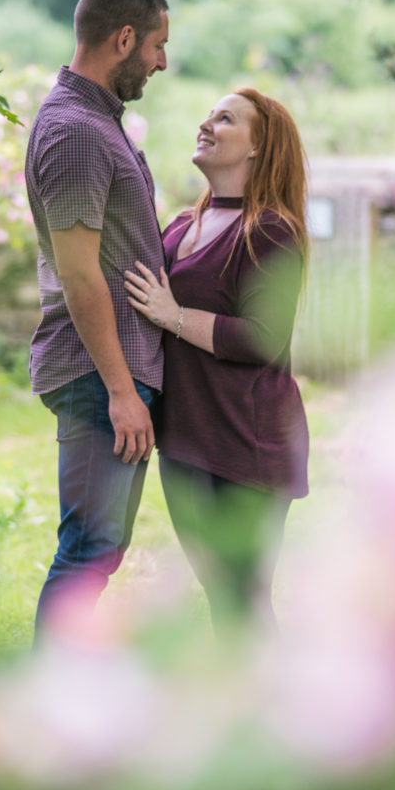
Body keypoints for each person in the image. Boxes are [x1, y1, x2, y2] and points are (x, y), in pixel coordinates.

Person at [124, 88, 309, 635]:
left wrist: (172, 314)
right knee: (218, 595)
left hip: (249, 445)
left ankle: (270, 712)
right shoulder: (182, 225)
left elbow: (262, 338)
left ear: (257, 147)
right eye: (208, 114)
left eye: (225, 119)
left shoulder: (273, 231)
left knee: (242, 601)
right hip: (185, 442)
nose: (206, 124)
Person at [25, 0, 169, 637]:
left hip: (112, 369)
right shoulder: (77, 131)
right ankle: (45, 708)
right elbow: (81, 276)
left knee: (101, 550)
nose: (161, 62)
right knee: (88, 549)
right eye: (156, 46)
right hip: (96, 374)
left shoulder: (95, 122)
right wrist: (120, 389)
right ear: (123, 38)